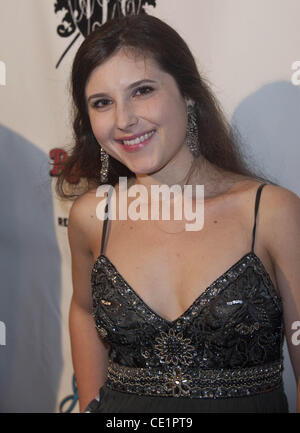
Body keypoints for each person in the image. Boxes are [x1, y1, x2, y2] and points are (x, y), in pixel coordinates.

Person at [55, 14, 300, 413]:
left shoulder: (270, 213)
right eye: (102, 103)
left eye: (143, 90)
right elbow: (83, 310)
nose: (123, 120)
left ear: (187, 95)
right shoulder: (92, 218)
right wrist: (89, 404)